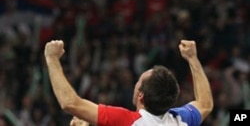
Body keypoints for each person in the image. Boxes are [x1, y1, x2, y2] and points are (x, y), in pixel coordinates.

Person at [44, 40, 213, 126]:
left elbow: (70, 103)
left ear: (141, 95)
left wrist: (52, 58)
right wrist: (193, 59)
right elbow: (205, 104)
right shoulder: (180, 120)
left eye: (138, 82)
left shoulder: (126, 120)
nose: (135, 84)